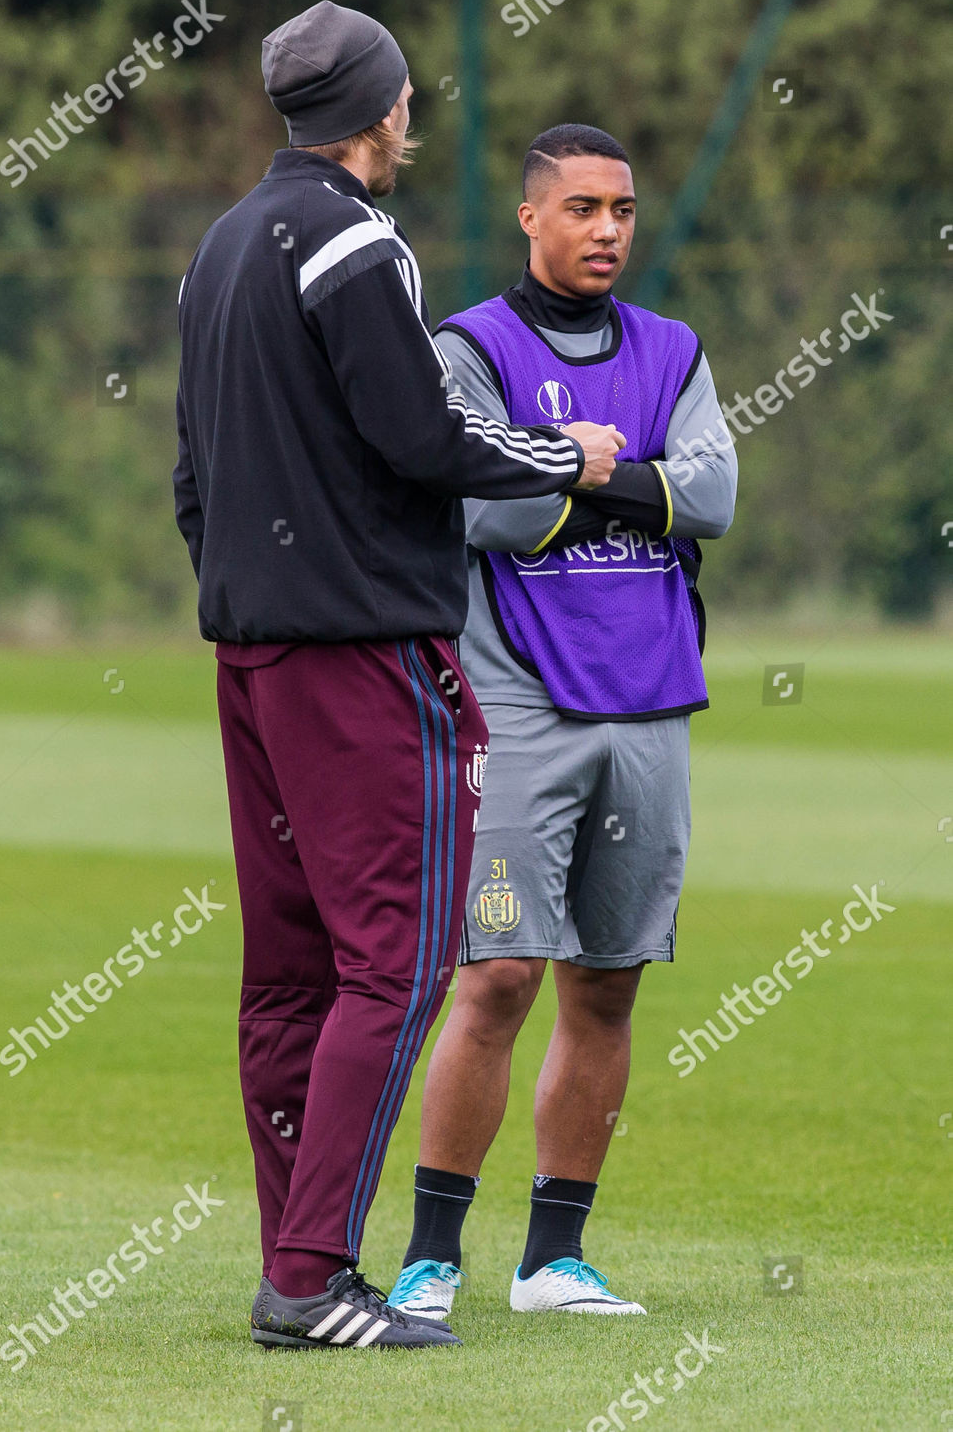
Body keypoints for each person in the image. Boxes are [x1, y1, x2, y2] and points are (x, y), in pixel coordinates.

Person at [173, 8, 622, 1353]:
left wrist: (244, 590)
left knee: (290, 976)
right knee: (397, 965)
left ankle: (290, 1263)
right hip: (363, 659)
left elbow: (195, 476)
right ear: (385, 111)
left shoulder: (217, 248)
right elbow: (421, 438)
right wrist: (568, 460)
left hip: (250, 657)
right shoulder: (358, 241)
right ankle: (311, 1280)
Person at [387, 124, 737, 1321]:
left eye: (623, 210)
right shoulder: (468, 349)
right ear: (530, 218)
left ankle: (553, 1261)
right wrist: (627, 486)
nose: (606, 230)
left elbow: (717, 494)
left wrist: (577, 473)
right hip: (519, 707)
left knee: (607, 987)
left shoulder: (672, 349)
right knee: (495, 978)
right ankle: (431, 1256)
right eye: (582, 208)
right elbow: (477, 515)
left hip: (649, 703)